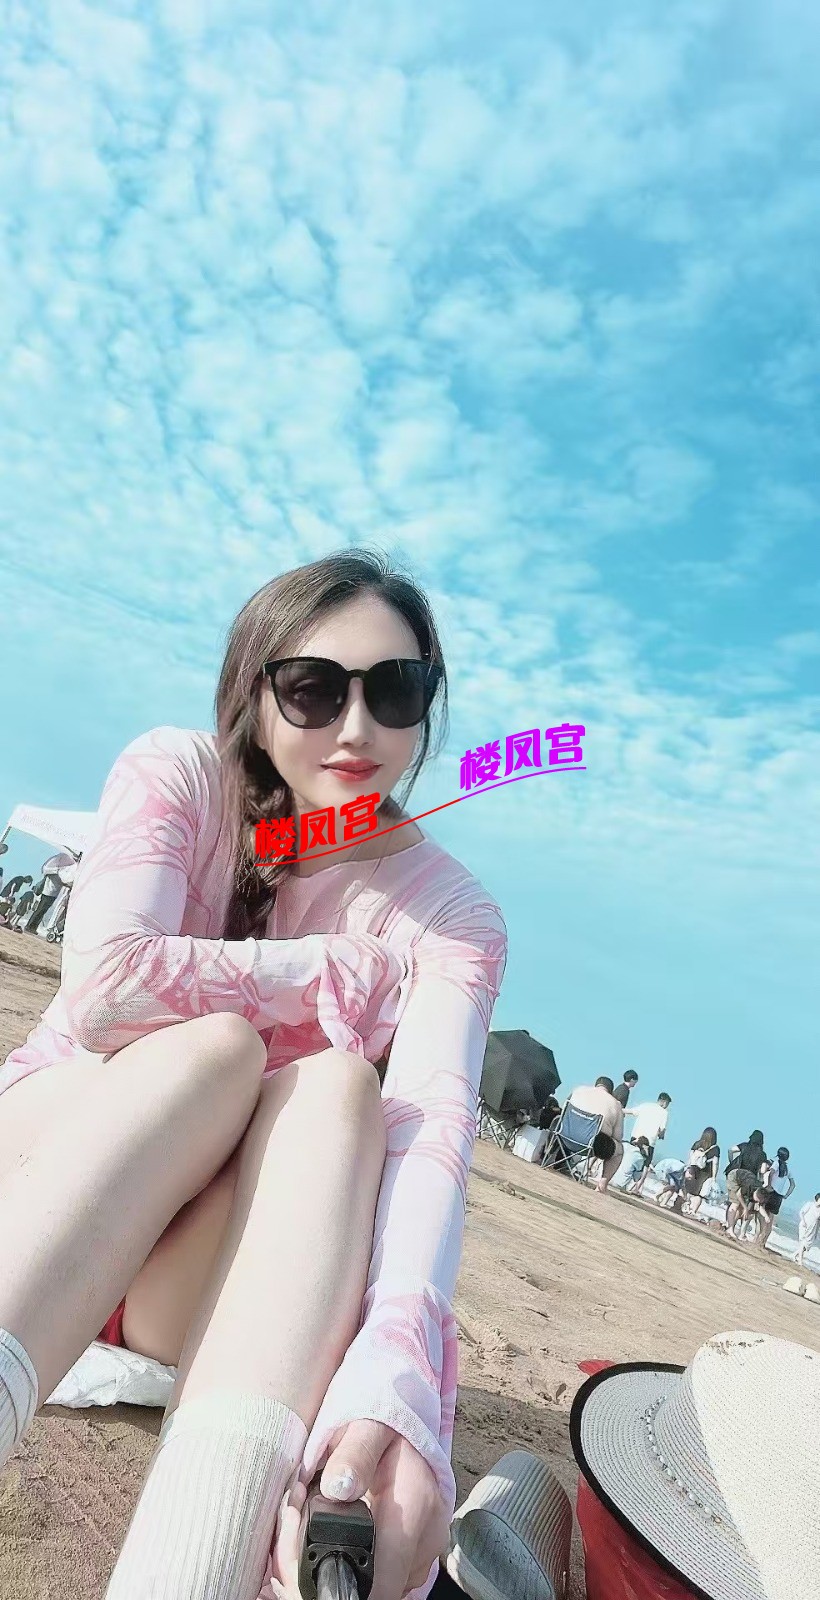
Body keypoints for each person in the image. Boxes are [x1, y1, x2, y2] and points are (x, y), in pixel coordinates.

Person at [0, 549, 509, 1600]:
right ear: (253, 688)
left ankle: (187, 1570)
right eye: (314, 689)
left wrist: (397, 1361)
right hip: (45, 1178)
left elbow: (431, 1129)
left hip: (189, 1286)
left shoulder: (452, 916)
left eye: (395, 690)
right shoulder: (181, 774)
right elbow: (106, 989)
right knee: (219, 1050)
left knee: (340, 1090)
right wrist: (325, 969)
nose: (357, 729)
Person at [560, 1076, 625, 1194]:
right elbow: (618, 1137)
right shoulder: (615, 1104)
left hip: (564, 1136)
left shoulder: (579, 1090)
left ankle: (548, 1161)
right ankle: (602, 1185)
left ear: (596, 1085)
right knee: (619, 1150)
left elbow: (563, 1112)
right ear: (610, 1091)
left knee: (558, 1124)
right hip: (591, 1144)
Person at [622, 1093, 672, 1196]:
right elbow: (662, 1130)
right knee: (645, 1165)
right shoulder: (664, 1112)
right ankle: (637, 1188)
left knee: (629, 1158)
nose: (666, 1106)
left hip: (635, 1136)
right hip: (649, 1142)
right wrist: (661, 1135)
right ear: (663, 1101)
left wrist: (619, 1108)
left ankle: (623, 1181)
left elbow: (631, 1111)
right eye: (667, 1104)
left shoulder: (646, 1105)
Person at [724, 1130, 767, 1236]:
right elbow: (762, 1171)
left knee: (734, 1201)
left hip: (737, 1174)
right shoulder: (762, 1154)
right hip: (749, 1179)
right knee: (739, 1204)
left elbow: (730, 1150)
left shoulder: (744, 1146)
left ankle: (728, 1225)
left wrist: (731, 1161)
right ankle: (730, 1227)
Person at [754, 1146, 795, 1250]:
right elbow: (793, 1185)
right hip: (779, 1197)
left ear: (778, 1155)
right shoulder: (788, 1169)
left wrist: (769, 1185)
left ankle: (756, 1240)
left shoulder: (776, 1163)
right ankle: (763, 1243)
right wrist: (786, 1195)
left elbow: (771, 1173)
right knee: (770, 1221)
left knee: (761, 1217)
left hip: (770, 1192)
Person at [680, 1126, 720, 1217]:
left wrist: (688, 1167)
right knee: (700, 1195)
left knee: (689, 1190)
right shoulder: (715, 1148)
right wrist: (714, 1177)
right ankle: (693, 1211)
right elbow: (715, 1163)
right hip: (706, 1173)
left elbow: (690, 1156)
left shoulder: (697, 1144)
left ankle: (686, 1205)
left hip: (693, 1170)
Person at [796, 1193, 820, 1267]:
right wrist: (803, 1221)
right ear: (817, 1199)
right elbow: (801, 1213)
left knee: (806, 1246)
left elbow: (818, 1221)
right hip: (804, 1226)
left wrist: (817, 1232)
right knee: (802, 1243)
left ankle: (795, 1255)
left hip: (812, 1229)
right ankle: (800, 1261)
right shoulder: (810, 1204)